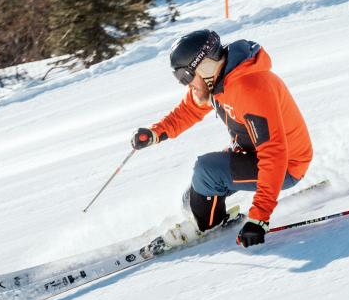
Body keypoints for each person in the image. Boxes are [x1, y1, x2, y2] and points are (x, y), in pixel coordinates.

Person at [131, 30, 313, 248]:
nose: (187, 85)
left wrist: (259, 217)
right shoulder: (218, 80)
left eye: (186, 77)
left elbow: (273, 154)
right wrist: (155, 133)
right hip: (251, 153)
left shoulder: (250, 87)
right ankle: (203, 214)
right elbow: (189, 110)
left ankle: (207, 226)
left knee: (206, 171)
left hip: (286, 165)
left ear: (205, 66)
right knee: (192, 197)